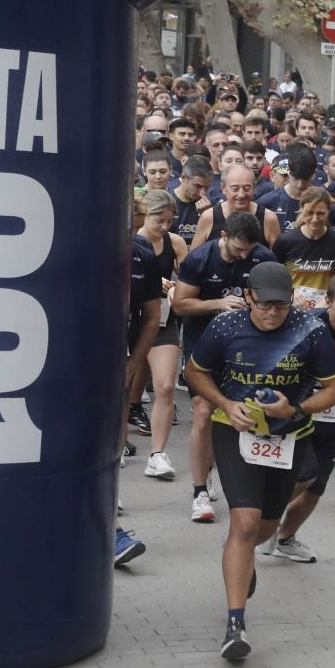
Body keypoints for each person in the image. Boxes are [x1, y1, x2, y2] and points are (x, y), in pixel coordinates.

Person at [183, 262, 335, 661]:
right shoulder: (225, 326)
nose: (273, 313)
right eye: (264, 305)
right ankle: (235, 623)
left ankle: (239, 550)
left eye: (281, 304)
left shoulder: (311, 328)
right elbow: (194, 372)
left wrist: (296, 409)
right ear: (248, 297)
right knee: (245, 520)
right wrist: (225, 403)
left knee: (264, 526)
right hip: (233, 429)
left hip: (288, 437)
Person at [261, 272, 335, 564]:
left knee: (316, 487)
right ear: (328, 302)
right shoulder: (307, 325)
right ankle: (255, 525)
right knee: (303, 474)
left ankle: (285, 539)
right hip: (300, 411)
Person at [170, 212, 277, 522]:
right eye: (238, 249)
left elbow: (278, 300)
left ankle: (226, 473)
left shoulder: (263, 257)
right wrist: (217, 304)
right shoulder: (199, 259)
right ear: (224, 236)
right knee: (203, 413)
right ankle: (199, 490)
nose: (245, 256)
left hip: (245, 348)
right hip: (203, 344)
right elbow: (180, 304)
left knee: (235, 416)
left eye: (249, 250)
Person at [134, 190, 189, 481]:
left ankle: (157, 454)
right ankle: (114, 449)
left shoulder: (175, 242)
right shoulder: (129, 239)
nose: (164, 225)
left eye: (170, 220)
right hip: (131, 319)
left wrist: (175, 287)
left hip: (163, 318)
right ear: (145, 215)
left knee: (166, 386)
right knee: (120, 389)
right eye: (159, 219)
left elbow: (192, 282)